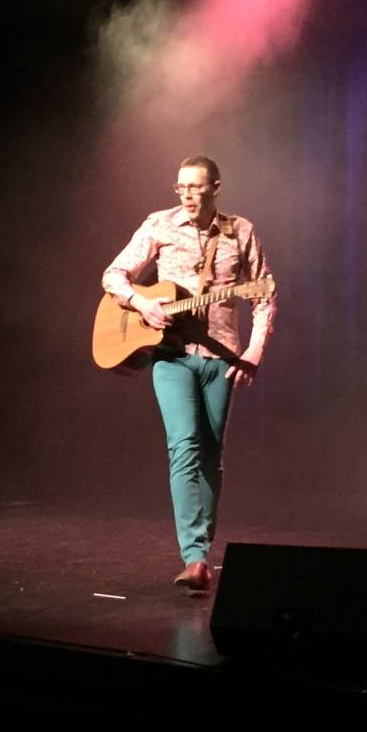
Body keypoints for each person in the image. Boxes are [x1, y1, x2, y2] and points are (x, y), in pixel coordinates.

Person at [101, 156, 277, 590]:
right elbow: (115, 275)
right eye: (182, 188)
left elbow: (265, 294)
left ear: (216, 187)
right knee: (183, 446)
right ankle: (194, 557)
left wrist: (255, 349)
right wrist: (143, 303)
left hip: (221, 359)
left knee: (212, 454)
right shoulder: (159, 225)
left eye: (197, 188)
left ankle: (203, 548)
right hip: (170, 355)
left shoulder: (241, 232)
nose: (188, 196)